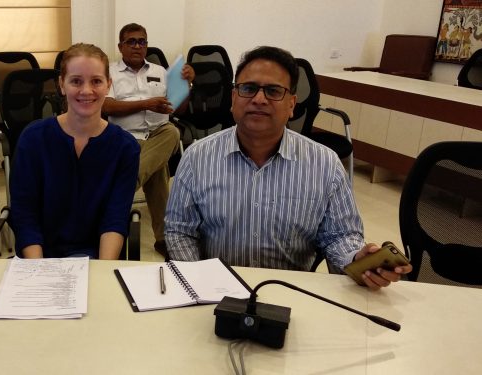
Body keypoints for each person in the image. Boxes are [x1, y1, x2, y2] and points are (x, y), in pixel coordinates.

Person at [165, 46, 412, 290]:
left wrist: (357, 259)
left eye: (273, 91)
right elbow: (179, 231)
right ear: (233, 98)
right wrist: (198, 284)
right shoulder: (197, 158)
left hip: (292, 294)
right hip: (215, 292)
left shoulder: (324, 164)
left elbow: (341, 236)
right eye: (248, 89)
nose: (259, 99)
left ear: (292, 104)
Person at [9, 43, 140, 259]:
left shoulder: (125, 147)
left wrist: (102, 273)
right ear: (61, 84)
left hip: (96, 259)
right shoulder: (33, 139)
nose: (86, 91)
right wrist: (40, 272)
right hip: (41, 259)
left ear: (108, 85)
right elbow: (25, 215)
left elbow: (114, 218)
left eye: (96, 81)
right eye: (76, 81)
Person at [102, 23, 195, 258]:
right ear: (120, 46)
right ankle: (164, 239)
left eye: (142, 41)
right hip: (124, 138)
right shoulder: (110, 72)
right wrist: (146, 103)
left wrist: (187, 85)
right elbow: (106, 106)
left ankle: (120, 187)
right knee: (158, 169)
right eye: (131, 41)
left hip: (158, 134)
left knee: (173, 131)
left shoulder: (161, 71)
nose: (137, 46)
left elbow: (179, 109)